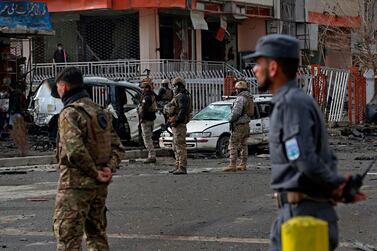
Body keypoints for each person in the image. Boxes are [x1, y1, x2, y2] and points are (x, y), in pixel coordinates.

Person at [249, 34, 366, 251]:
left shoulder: (291, 104)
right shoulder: (299, 101)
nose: (254, 69)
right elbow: (322, 155)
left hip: (304, 215)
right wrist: (337, 184)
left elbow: (302, 157)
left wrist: (335, 183)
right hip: (299, 212)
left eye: (259, 63)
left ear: (273, 67)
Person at [52, 67, 124, 251]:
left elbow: (74, 151)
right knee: (97, 235)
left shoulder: (70, 113)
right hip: (98, 188)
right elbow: (117, 146)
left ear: (64, 87)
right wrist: (108, 168)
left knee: (68, 240)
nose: (58, 90)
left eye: (59, 86)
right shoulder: (100, 112)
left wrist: (94, 173)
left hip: (75, 186)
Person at [223, 80, 254, 172]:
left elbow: (236, 112)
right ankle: (243, 164)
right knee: (244, 144)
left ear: (239, 89)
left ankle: (232, 165)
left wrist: (230, 119)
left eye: (236, 89)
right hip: (246, 125)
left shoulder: (240, 98)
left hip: (239, 125)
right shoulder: (250, 97)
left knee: (233, 144)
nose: (236, 90)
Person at [166, 77, 191, 175]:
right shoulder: (180, 96)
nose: (174, 88)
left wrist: (176, 120)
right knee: (176, 146)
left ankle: (182, 167)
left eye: (175, 86)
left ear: (178, 85)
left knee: (180, 146)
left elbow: (183, 110)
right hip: (176, 125)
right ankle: (177, 165)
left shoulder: (181, 97)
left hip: (179, 125)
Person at [138, 78, 157, 164]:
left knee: (147, 138)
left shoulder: (146, 97)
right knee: (149, 138)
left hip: (146, 120)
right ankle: (151, 154)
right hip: (151, 119)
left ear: (146, 88)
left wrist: (142, 118)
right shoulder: (152, 95)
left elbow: (144, 109)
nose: (142, 89)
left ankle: (152, 155)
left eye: (143, 87)